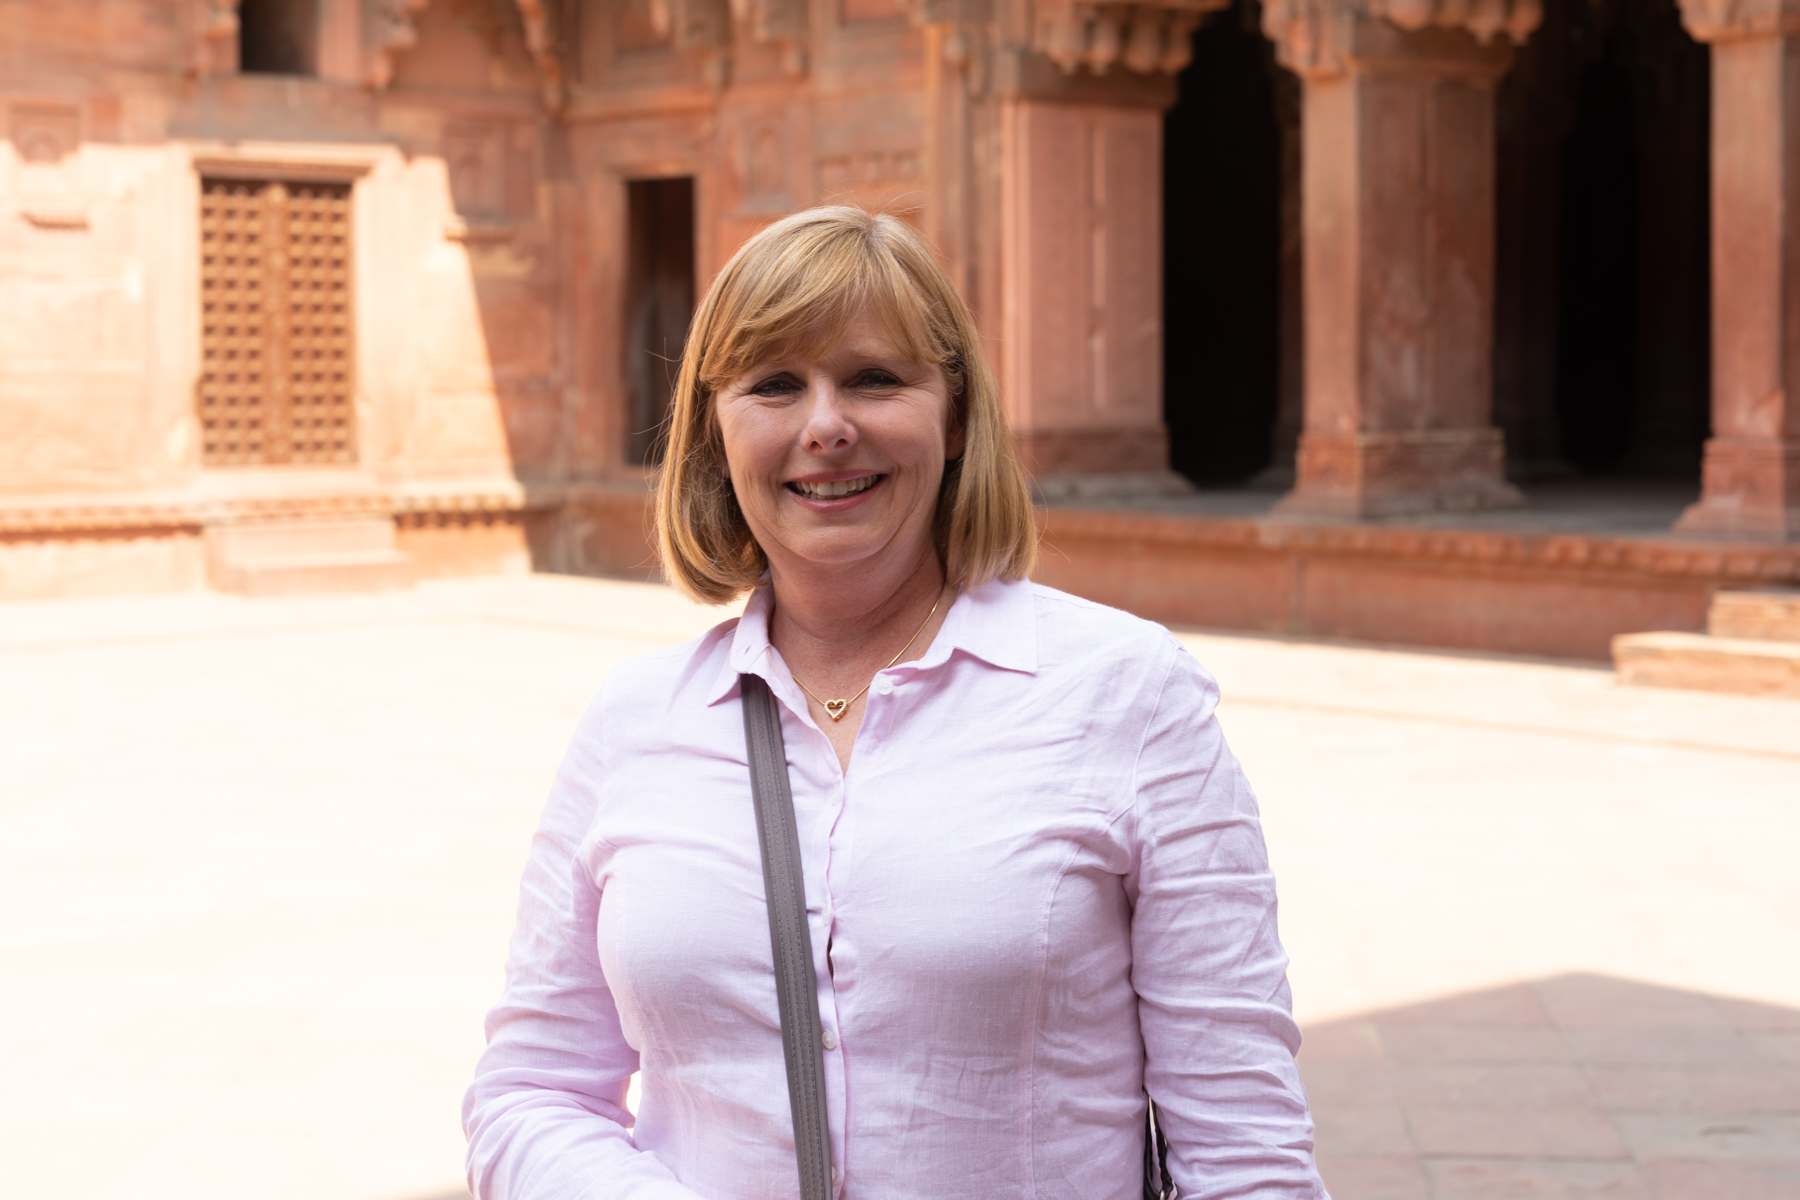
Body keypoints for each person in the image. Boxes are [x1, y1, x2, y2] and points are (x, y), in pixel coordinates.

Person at [463, 206, 1327, 1199]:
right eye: (774, 384)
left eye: (874, 378)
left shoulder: (1124, 695)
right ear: (717, 426)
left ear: (955, 416)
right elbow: (528, 1091)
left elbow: (1244, 1150)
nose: (826, 425)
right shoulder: (637, 722)